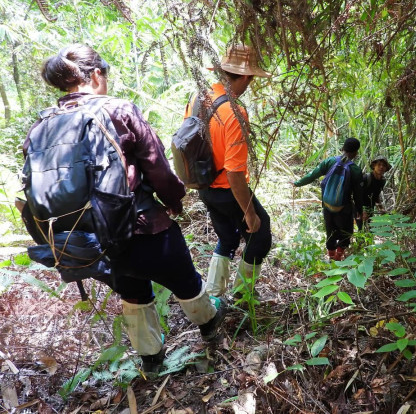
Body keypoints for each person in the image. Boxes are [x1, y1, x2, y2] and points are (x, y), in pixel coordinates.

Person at [29, 44, 226, 375]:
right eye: (105, 73)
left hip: (90, 237)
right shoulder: (118, 110)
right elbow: (156, 165)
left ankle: (151, 361)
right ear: (95, 74)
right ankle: (211, 330)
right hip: (141, 224)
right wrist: (175, 200)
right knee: (185, 280)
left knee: (133, 292)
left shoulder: (43, 124)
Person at [183, 44, 272, 299]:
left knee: (228, 238)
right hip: (226, 190)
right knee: (260, 235)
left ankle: (213, 295)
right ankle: (243, 299)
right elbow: (234, 173)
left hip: (204, 186)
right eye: (251, 78)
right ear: (245, 76)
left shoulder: (198, 97)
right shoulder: (234, 111)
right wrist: (249, 213)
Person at [293, 138, 363, 261]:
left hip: (327, 206)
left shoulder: (330, 161)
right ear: (356, 153)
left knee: (330, 233)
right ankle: (337, 260)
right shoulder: (355, 170)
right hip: (344, 209)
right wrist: (359, 211)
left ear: (343, 148)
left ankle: (331, 260)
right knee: (346, 234)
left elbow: (312, 175)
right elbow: (358, 195)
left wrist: (297, 183)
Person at [357, 156, 392, 230]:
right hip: (359, 209)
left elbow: (376, 195)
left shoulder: (382, 181)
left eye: (384, 165)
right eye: (379, 164)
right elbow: (356, 195)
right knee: (361, 231)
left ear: (386, 168)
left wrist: (381, 208)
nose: (381, 167)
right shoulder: (366, 178)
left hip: (370, 208)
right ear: (374, 166)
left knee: (370, 230)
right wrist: (362, 211)